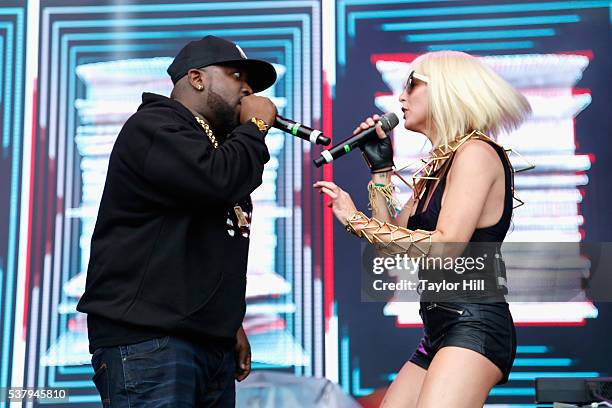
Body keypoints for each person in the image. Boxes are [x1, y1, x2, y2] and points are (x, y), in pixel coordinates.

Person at [314, 51, 531, 407]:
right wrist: (381, 170)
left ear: (447, 91)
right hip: (439, 329)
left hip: (474, 323)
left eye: (413, 85)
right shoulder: (438, 167)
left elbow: (446, 246)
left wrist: (355, 219)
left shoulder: (476, 153)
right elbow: (390, 245)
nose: (401, 97)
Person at [76, 35, 278, 407]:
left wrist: (228, 322)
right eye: (236, 75)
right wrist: (256, 129)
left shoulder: (216, 148)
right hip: (149, 341)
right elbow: (218, 182)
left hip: (205, 340)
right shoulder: (155, 127)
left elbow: (207, 242)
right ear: (197, 78)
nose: (248, 90)